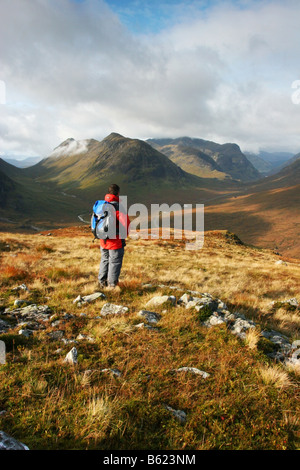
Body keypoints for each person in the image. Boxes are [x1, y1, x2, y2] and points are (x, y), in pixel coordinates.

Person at [98, 184, 130, 289]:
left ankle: (101, 282)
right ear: (118, 193)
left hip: (103, 240)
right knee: (114, 262)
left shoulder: (102, 205)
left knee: (105, 260)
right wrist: (124, 235)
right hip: (115, 241)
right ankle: (112, 286)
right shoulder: (117, 206)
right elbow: (126, 222)